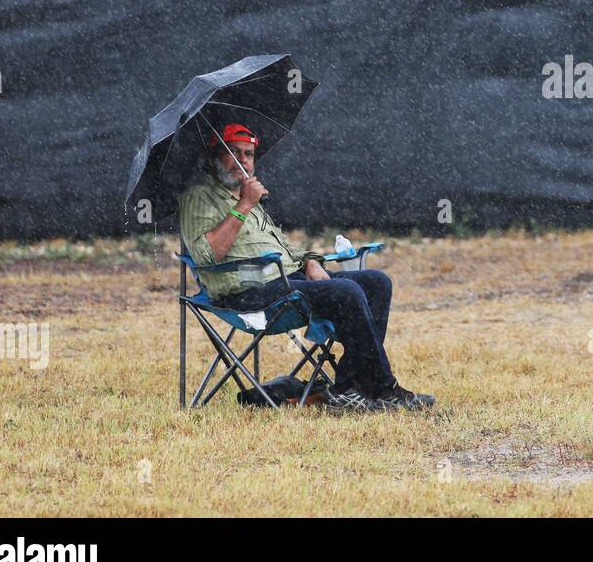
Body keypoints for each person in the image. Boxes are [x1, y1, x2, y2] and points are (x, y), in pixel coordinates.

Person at [178, 122, 433, 411]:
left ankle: (350, 387)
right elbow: (205, 255)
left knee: (376, 282)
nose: (243, 161)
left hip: (286, 282)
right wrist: (244, 205)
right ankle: (383, 389)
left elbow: (285, 248)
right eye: (233, 152)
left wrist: (311, 261)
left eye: (248, 154)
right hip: (247, 293)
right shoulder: (198, 198)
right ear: (214, 156)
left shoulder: (248, 196)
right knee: (345, 292)